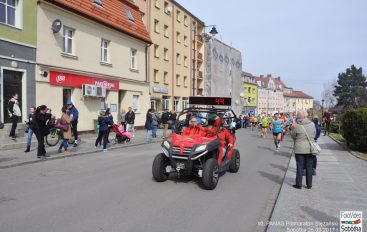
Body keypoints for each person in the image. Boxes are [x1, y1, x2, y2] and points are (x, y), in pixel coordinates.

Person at [291, 110, 316, 189]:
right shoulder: (312, 124)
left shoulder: (297, 125)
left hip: (299, 148)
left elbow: (293, 136)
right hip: (310, 148)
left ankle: (299, 184)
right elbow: (314, 134)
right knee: (309, 166)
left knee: (300, 166)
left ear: (299, 116)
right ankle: (309, 185)